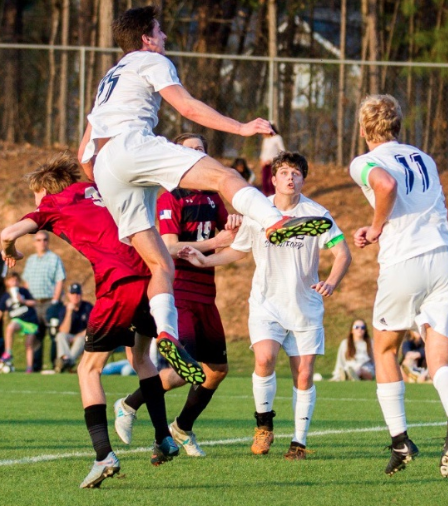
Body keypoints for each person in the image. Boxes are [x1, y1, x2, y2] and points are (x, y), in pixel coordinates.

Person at [77, 5, 331, 357]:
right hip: (132, 144)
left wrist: (105, 184)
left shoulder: (110, 78)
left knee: (160, 264)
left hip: (105, 166)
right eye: (159, 30)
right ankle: (275, 222)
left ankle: (166, 332)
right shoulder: (152, 60)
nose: (165, 36)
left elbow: (82, 156)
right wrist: (242, 128)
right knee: (226, 175)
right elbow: (189, 109)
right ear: (146, 39)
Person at [0, 153, 206, 489]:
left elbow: (9, 231)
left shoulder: (51, 204)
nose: (35, 202)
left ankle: (103, 455)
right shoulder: (96, 188)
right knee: (141, 359)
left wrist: (12, 248)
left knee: (88, 369)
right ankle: (162, 438)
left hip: (118, 282)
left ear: (44, 189)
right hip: (151, 272)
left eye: (35, 195)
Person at [180, 151, 351, 460]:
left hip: (305, 308)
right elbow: (237, 251)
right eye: (284, 172)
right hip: (266, 304)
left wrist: (332, 282)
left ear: (303, 179)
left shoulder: (317, 214)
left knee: (304, 375)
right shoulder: (258, 212)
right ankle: (263, 426)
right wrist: (205, 260)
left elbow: (343, 254)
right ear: (273, 179)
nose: (290, 177)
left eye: (296, 173)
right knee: (264, 360)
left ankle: (298, 441)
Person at [350, 94, 448, 478]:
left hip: (405, 261)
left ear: (365, 129)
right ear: (398, 125)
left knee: (384, 348)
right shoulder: (424, 157)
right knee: (440, 361)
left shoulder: (365, 161)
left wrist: (377, 227)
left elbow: (384, 186)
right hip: (446, 258)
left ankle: (401, 441)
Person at [113, 132, 239, 456]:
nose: (196, 155)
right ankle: (128, 404)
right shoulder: (172, 196)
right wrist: (214, 242)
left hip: (206, 293)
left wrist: (238, 221)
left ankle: (181, 427)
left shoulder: (213, 198)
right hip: (178, 289)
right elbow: (168, 247)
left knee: (217, 371)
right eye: (190, 151)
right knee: (187, 368)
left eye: (201, 150)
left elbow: (231, 235)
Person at [22, 229, 66, 371]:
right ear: (35, 243)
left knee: (53, 334)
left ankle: (55, 365)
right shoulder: (31, 260)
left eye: (44, 240)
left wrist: (55, 300)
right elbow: (26, 282)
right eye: (39, 240)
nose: (42, 243)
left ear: (48, 242)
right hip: (34, 303)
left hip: (49, 302)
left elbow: (60, 280)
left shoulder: (54, 258)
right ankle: (35, 366)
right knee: (35, 335)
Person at [0, 272, 39, 374]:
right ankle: (8, 352)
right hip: (18, 320)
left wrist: (23, 301)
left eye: (16, 280)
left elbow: (34, 302)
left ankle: (29, 368)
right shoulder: (5, 296)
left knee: (29, 345)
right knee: (10, 327)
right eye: (11, 280)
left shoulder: (23, 291)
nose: (14, 282)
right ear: (7, 282)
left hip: (30, 321)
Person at [54, 283, 93, 373]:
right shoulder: (64, 309)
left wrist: (79, 335)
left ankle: (65, 362)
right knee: (60, 336)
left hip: (83, 336)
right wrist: (69, 312)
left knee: (80, 339)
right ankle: (66, 359)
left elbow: (92, 327)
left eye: (77, 294)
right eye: (73, 294)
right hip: (70, 335)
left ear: (81, 295)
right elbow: (64, 330)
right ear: (69, 295)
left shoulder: (87, 307)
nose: (75, 296)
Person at [259, 124, 285, 196]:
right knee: (264, 181)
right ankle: (266, 197)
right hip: (265, 163)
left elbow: (282, 151)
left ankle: (274, 197)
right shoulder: (266, 139)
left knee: (271, 181)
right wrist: (262, 159)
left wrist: (272, 160)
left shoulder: (277, 138)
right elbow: (263, 151)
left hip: (274, 163)